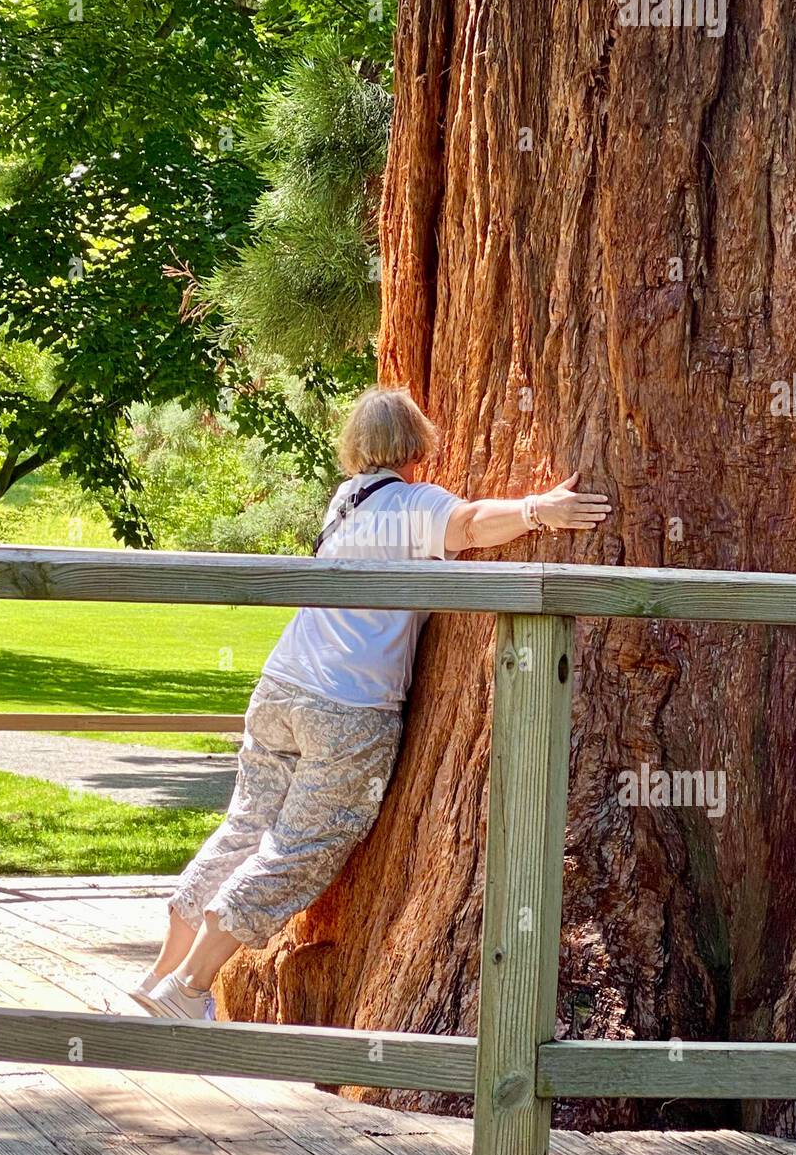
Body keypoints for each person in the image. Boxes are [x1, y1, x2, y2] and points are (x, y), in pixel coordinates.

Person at [133, 386, 610, 1018]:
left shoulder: (347, 500)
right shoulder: (416, 504)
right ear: (417, 444)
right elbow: (469, 526)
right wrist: (536, 510)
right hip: (348, 706)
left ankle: (159, 976)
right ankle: (189, 988)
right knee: (298, 849)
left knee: (244, 828)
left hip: (282, 686)